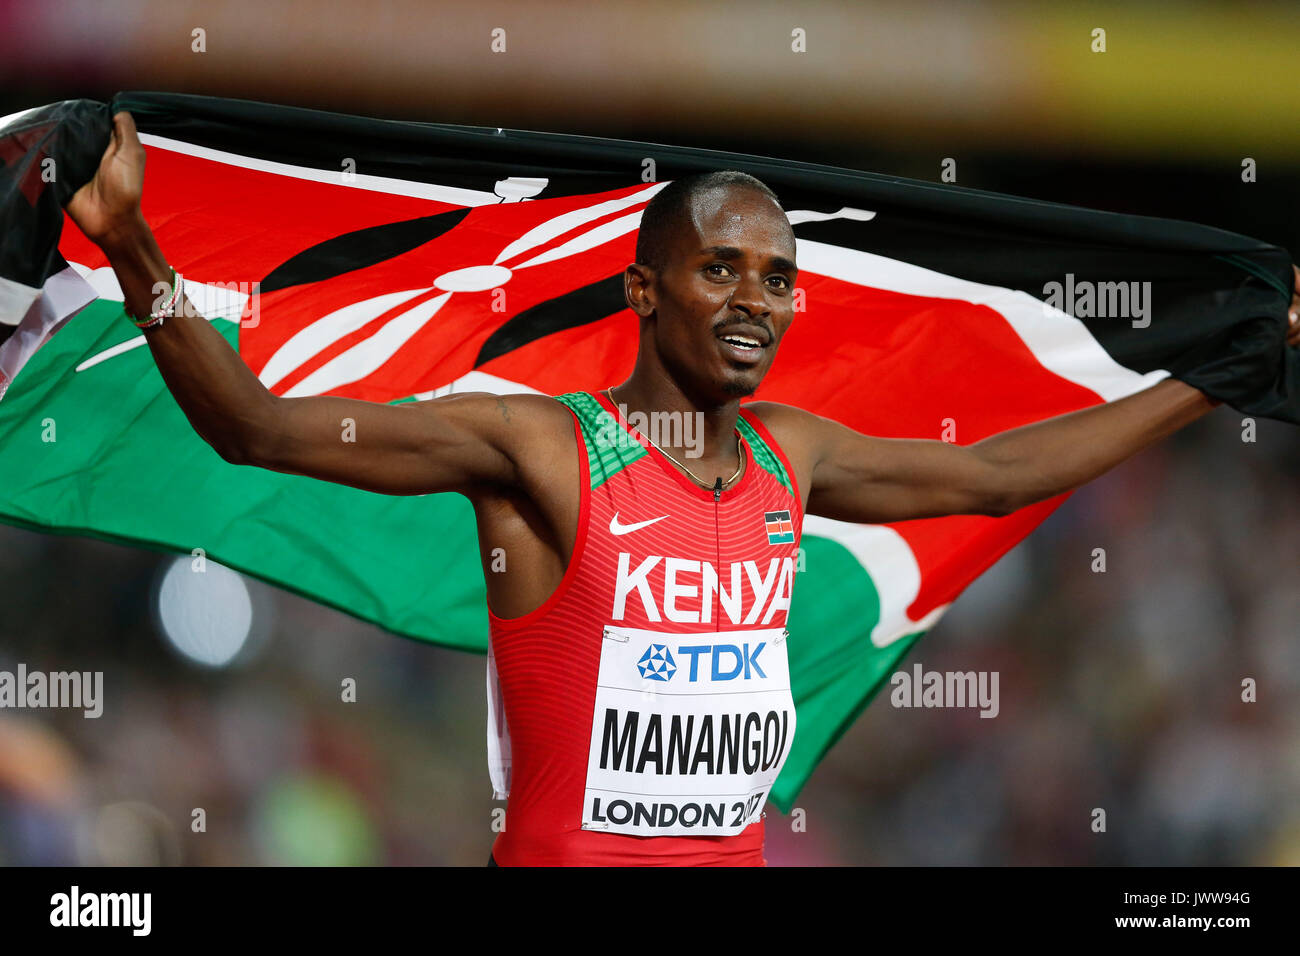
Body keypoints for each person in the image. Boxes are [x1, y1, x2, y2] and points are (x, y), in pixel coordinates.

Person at [65, 112, 1300, 867]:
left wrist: (1220, 376)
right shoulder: (544, 449)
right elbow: (256, 429)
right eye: (722, 268)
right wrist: (132, 246)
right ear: (645, 292)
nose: (757, 300)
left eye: (777, 276)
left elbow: (990, 475)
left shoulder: (789, 455)